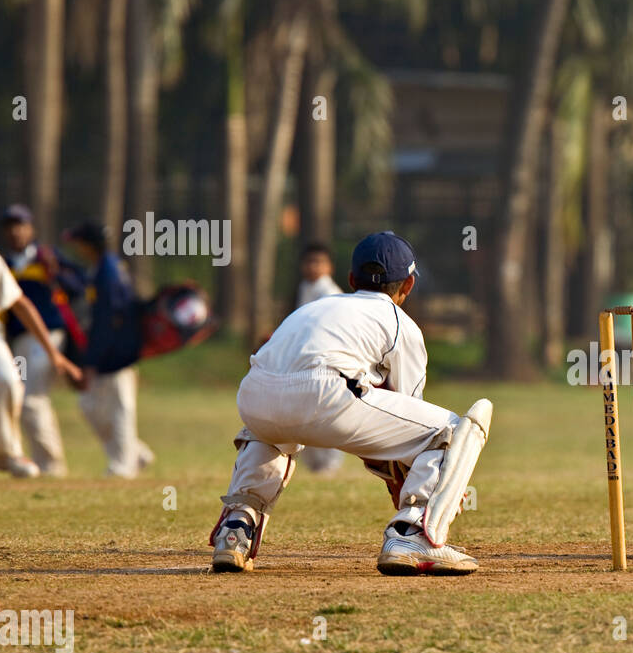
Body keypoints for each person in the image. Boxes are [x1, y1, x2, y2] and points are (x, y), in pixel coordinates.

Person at [209, 232, 492, 575]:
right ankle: (412, 533)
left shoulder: (314, 307)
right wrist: (429, 484)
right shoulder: (401, 323)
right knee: (450, 430)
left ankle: (236, 527)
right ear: (409, 285)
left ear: (351, 279)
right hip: (328, 395)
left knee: (271, 430)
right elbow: (408, 415)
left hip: (254, 396)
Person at [0, 196, 82, 477]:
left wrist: (56, 353)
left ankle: (22, 457)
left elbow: (24, 303)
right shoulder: (8, 260)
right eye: (9, 225)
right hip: (15, 340)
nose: (14, 231)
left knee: (15, 386)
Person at [66, 222, 154, 478]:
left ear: (88, 244)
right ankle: (134, 452)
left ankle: (123, 466)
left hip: (117, 353)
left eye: (78, 243)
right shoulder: (103, 267)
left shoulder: (109, 271)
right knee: (90, 406)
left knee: (120, 408)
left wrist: (92, 359)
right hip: (109, 352)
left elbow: (109, 320)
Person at [293, 242, 344, 475]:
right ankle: (315, 464)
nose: (314, 267)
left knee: (326, 413)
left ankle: (329, 464)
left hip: (326, 363)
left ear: (329, 267)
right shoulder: (306, 287)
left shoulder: (330, 293)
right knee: (305, 414)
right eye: (309, 261)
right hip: (306, 362)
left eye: (319, 262)